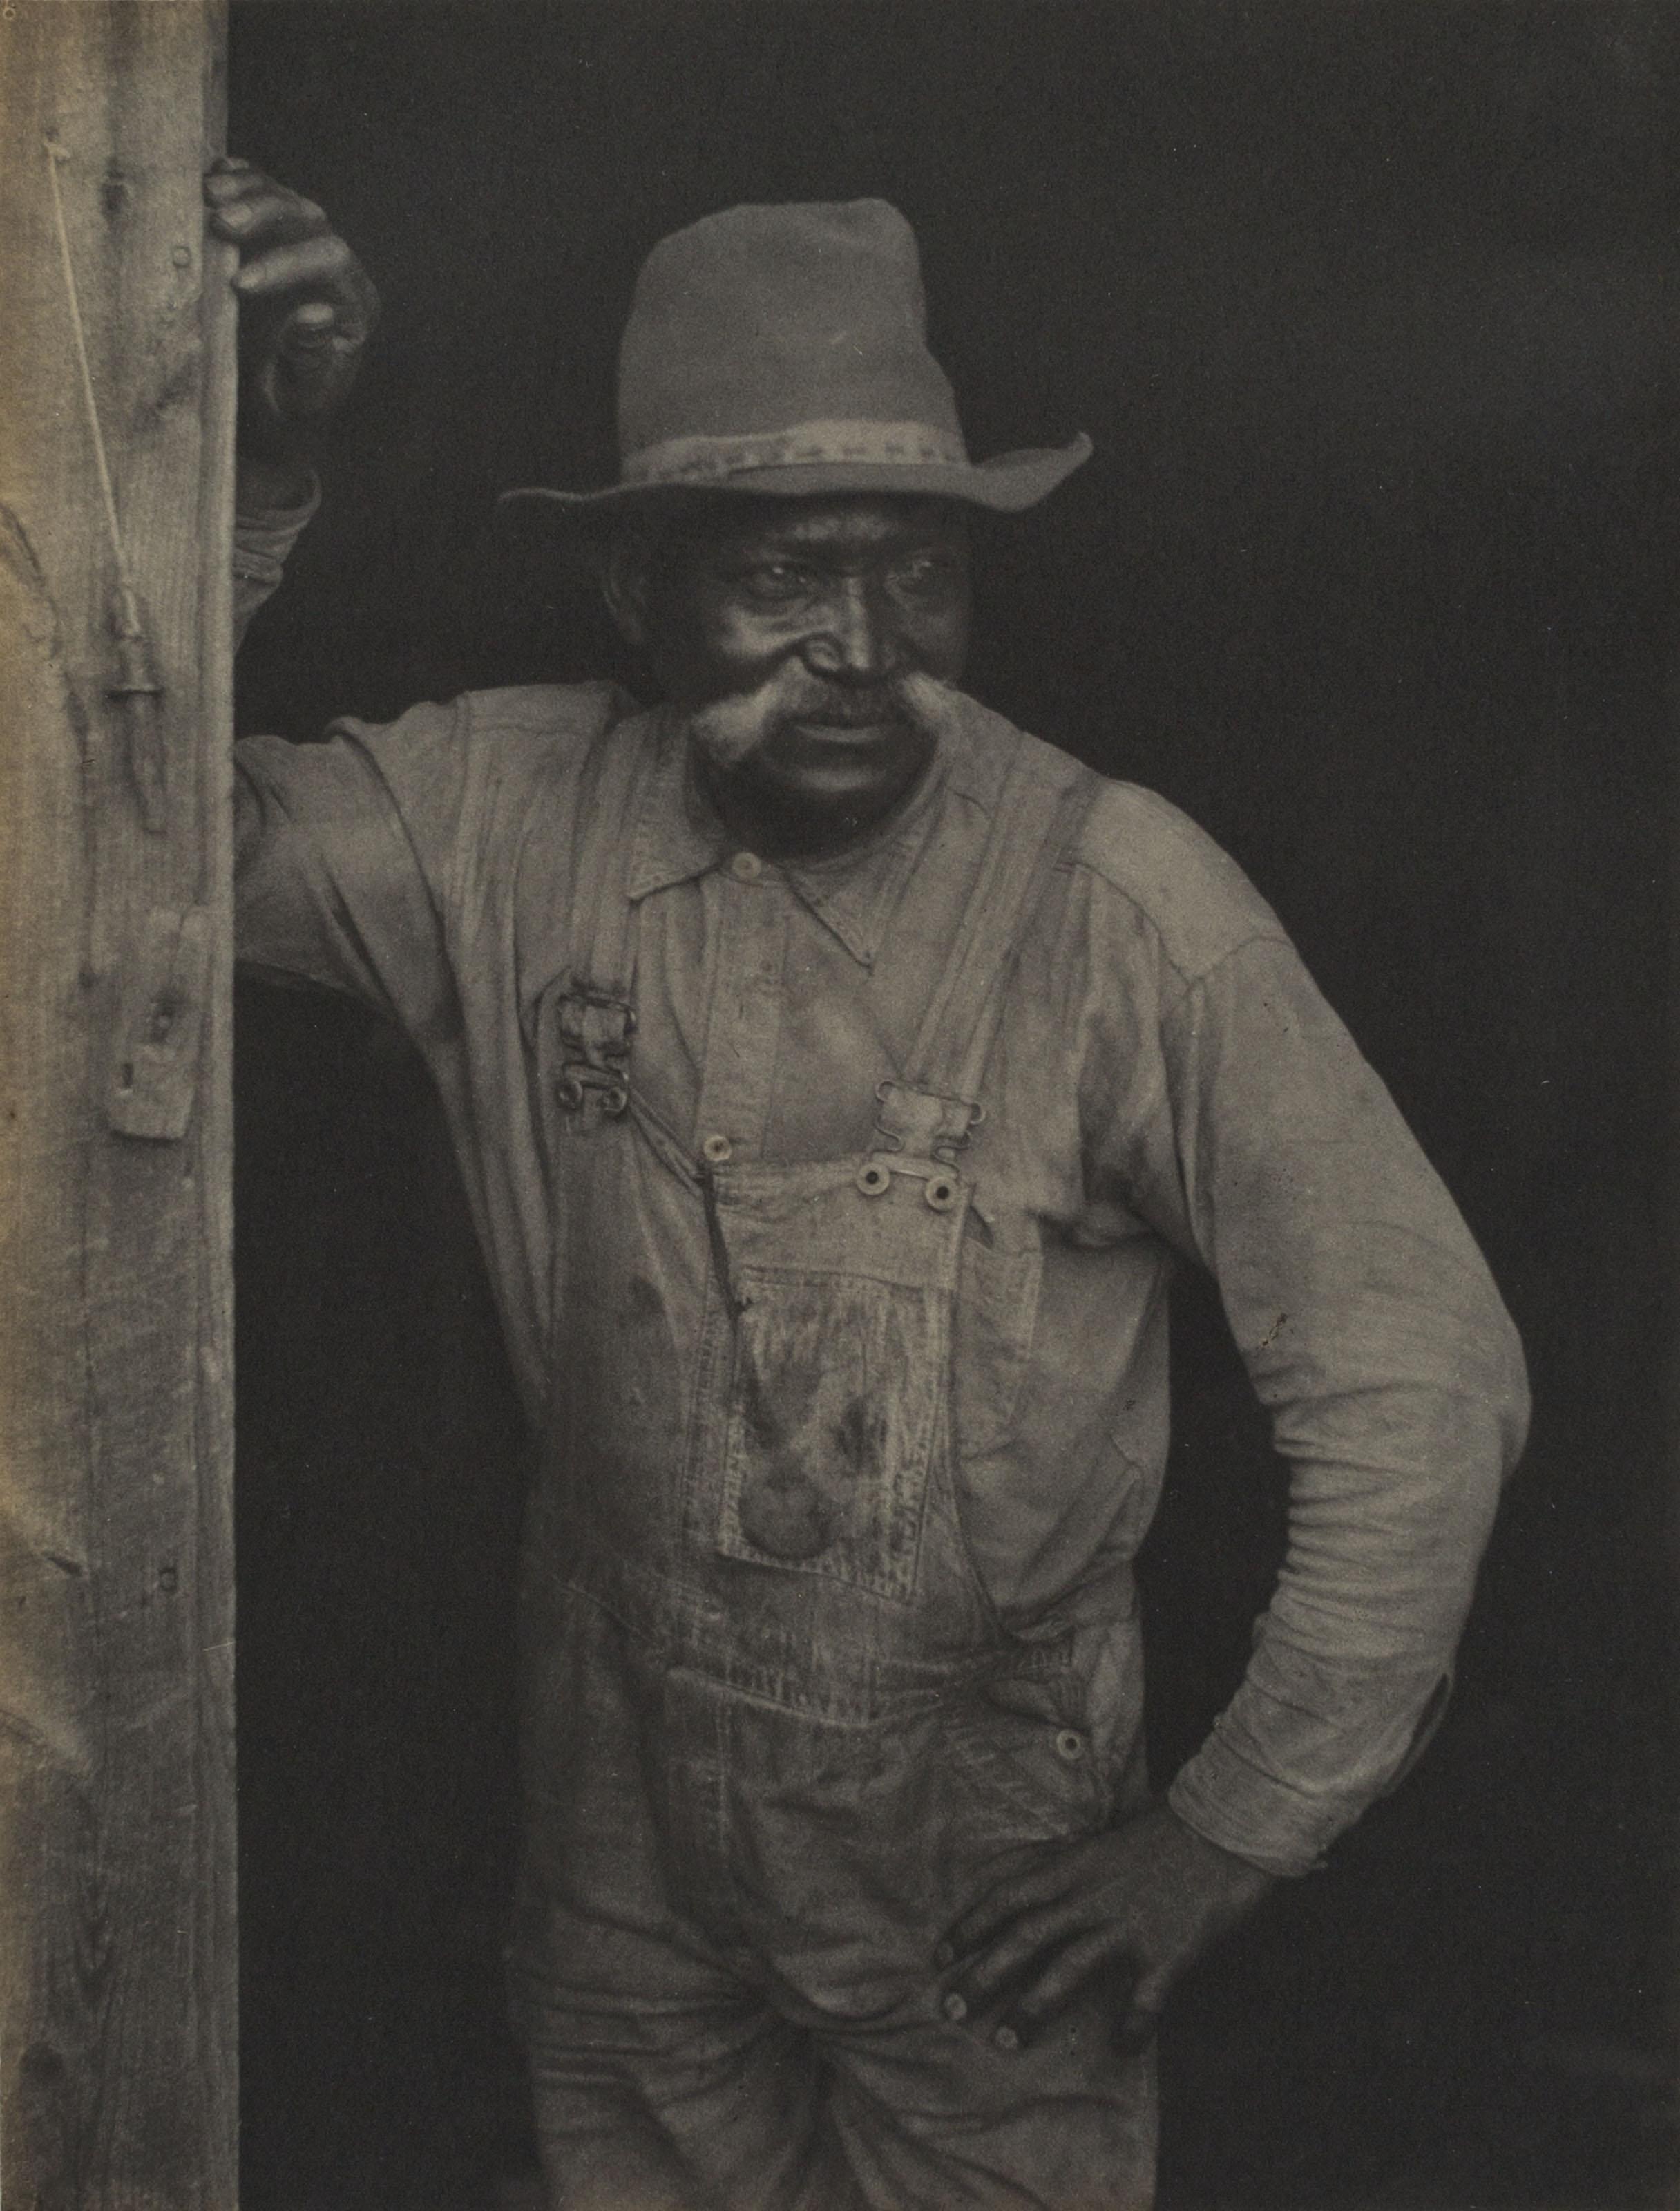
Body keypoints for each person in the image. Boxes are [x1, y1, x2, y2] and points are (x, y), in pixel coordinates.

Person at [208, 160, 1530, 2210]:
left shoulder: (1116, 902)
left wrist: (1223, 1840)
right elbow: (124, 854)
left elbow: (1419, 1376)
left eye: (915, 572)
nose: (859, 646)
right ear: (637, 592)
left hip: (979, 1876)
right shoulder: (494, 820)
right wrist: (249, 461)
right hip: (624, 1834)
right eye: (779, 578)